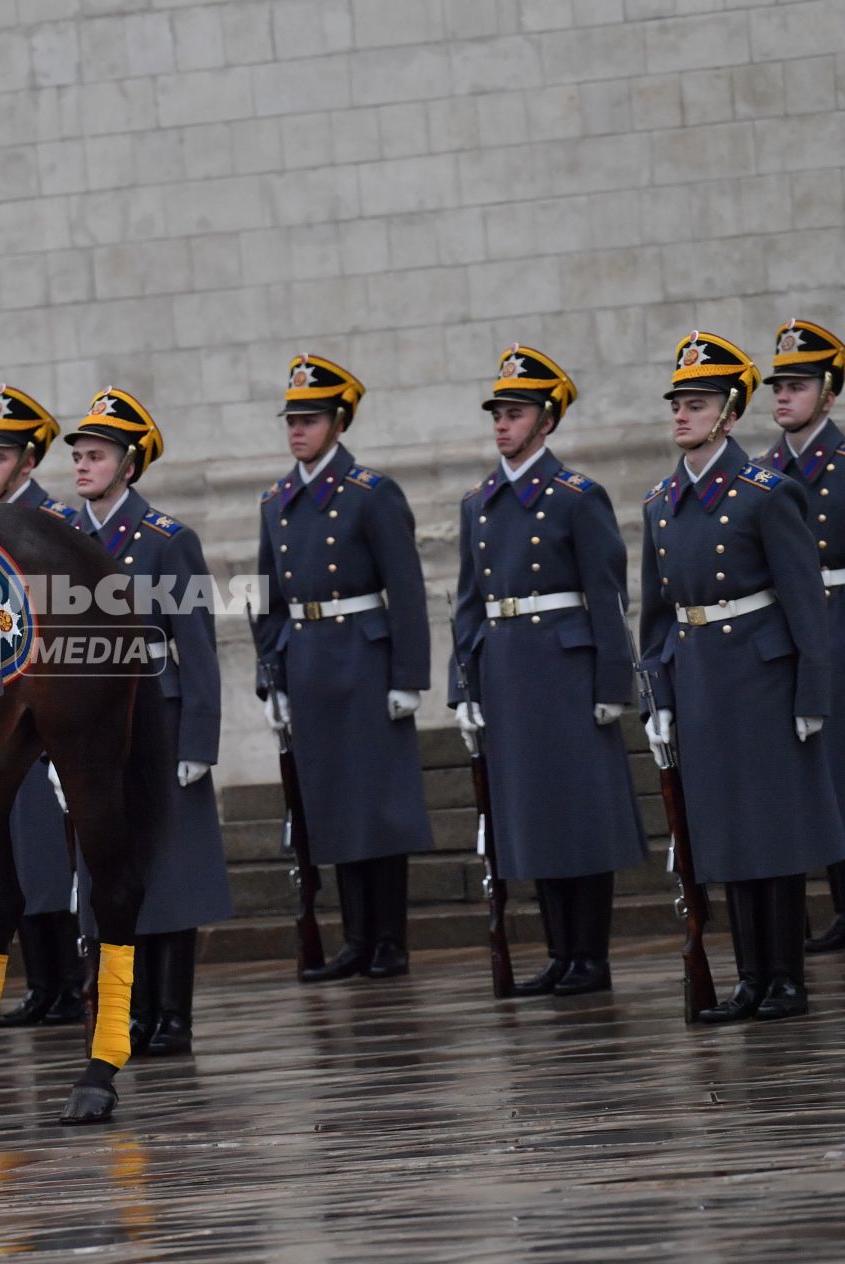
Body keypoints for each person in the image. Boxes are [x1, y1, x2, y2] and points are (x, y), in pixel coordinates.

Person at [640, 330, 845, 1021]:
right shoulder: (660, 501)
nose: (681, 416)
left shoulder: (766, 493)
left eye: (696, 405)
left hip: (763, 678)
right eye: (677, 404)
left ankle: (785, 975)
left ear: (729, 413)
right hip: (700, 680)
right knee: (725, 833)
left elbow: (803, 599)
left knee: (774, 831)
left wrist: (812, 692)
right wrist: (658, 697)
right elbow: (658, 616)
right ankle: (749, 977)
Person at [448, 347, 646, 997]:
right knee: (533, 817)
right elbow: (469, 604)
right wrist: (464, 688)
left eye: (516, 413)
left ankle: (590, 956)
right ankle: (560, 952)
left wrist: (613, 684)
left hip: (566, 670)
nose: (503, 425)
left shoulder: (577, 497)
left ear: (547, 422)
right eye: (498, 414)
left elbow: (607, 594)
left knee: (578, 817)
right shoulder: (478, 504)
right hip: (508, 670)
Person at [254, 355, 434, 982]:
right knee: (330, 808)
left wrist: (408, 675)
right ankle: (355, 940)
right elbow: (267, 600)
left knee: (376, 808)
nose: (297, 430)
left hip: (364, 656)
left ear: (338, 422)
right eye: (293, 420)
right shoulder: (276, 501)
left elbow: (405, 588)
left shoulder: (371, 495)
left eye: (310, 420)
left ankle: (390, 939)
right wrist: (269, 678)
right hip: (307, 664)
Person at [65, 388, 232, 1055]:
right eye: (77, 455)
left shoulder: (167, 541)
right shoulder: (64, 540)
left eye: (96, 455)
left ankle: (173, 1014)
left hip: (158, 717)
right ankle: (126, 1013)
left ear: (129, 466)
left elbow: (197, 647)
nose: (82, 465)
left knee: (171, 873)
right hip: (89, 728)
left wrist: (200, 740)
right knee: (110, 871)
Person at [0, 386, 84, 1027]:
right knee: (20, 850)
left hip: (45, 706)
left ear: (29, 463)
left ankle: (66, 980)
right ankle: (40, 983)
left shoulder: (52, 530)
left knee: (49, 850)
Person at [751, 320, 845, 953]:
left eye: (798, 385)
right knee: (814, 775)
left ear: (829, 393)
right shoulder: (758, 474)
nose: (783, 397)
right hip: (791, 633)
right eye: (778, 386)